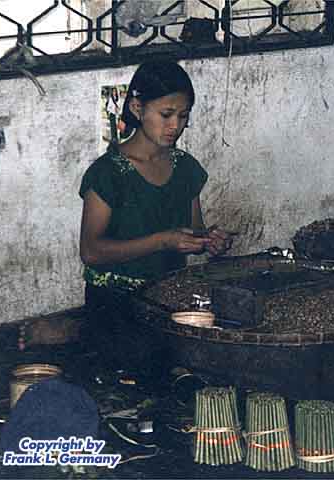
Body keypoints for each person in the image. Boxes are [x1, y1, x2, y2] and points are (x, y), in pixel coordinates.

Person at [78, 61, 233, 373]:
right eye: (166, 114)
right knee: (149, 364)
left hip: (168, 296)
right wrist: (162, 241)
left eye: (183, 116)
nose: (175, 125)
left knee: (220, 348)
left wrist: (210, 241)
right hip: (116, 299)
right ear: (137, 108)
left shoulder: (184, 167)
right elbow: (91, 252)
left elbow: (194, 230)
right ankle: (76, 330)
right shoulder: (108, 173)